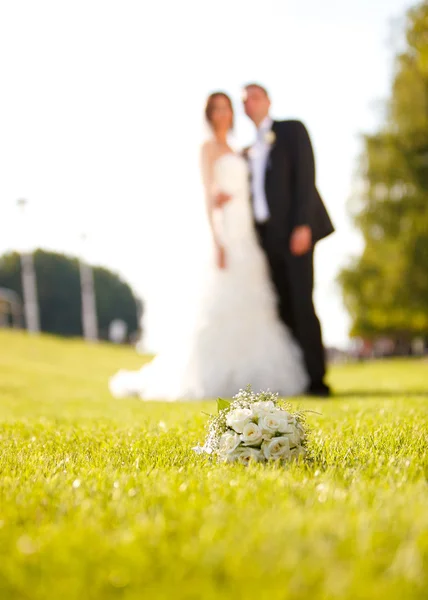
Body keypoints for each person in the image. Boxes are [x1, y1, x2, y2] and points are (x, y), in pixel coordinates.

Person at [108, 92, 308, 400]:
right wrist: (217, 240)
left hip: (249, 233)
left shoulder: (242, 150)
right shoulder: (208, 148)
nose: (221, 114)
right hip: (226, 230)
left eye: (226, 108)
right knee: (222, 300)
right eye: (215, 109)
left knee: (255, 302)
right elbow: (207, 192)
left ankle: (254, 375)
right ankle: (214, 375)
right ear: (209, 114)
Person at [238, 83, 335, 396]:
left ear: (267, 100)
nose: (249, 103)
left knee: (302, 303)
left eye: (254, 97)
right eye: (244, 100)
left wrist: (303, 224)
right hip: (265, 240)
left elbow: (306, 175)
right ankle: (294, 378)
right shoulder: (246, 150)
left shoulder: (291, 130)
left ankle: (317, 379)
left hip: (296, 232)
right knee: (281, 308)